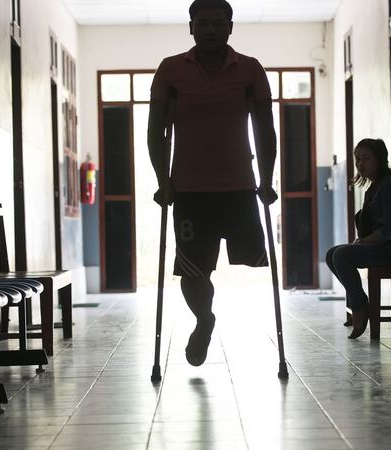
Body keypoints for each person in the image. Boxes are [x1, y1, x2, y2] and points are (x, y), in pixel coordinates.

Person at [147, 0, 278, 366]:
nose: (209, 30)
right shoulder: (171, 70)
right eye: (202, 24)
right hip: (190, 191)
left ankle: (206, 319)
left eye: (217, 23)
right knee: (193, 270)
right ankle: (204, 320)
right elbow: (155, 131)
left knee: (249, 259)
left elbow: (265, 130)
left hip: (239, 188)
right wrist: (163, 180)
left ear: (230, 27)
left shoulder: (249, 69)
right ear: (190, 28)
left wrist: (266, 180)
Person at [326, 139, 391, 339]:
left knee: (342, 255)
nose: (360, 163)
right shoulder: (375, 187)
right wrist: (364, 240)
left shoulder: (389, 185)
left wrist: (365, 241)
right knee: (332, 254)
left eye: (366, 158)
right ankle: (359, 301)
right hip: (380, 246)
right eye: (358, 158)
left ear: (379, 160)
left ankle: (360, 307)